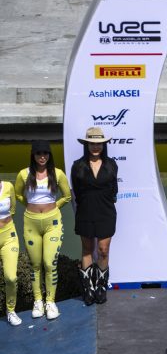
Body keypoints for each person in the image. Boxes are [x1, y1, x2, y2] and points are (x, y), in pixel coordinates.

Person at [15, 140, 71, 321]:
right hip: (31, 223)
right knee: (35, 264)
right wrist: (29, 205)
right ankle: (38, 301)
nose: (42, 157)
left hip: (52, 223)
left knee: (49, 263)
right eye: (38, 153)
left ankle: (50, 301)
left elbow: (67, 196)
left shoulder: (58, 173)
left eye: (45, 153)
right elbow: (17, 194)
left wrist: (53, 207)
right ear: (33, 155)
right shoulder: (23, 174)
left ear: (49, 155)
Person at [70, 127, 118, 306]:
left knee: (103, 250)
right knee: (87, 249)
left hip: (106, 212)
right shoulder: (77, 165)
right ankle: (88, 289)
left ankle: (101, 287)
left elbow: (114, 189)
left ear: (103, 145)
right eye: (92, 143)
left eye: (99, 144)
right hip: (85, 211)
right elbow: (77, 192)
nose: (96, 147)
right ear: (86, 145)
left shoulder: (111, 164)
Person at [0, 180, 21, 326]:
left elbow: (13, 208)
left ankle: (10, 310)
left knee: (11, 277)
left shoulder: (8, 186)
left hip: (9, 236)